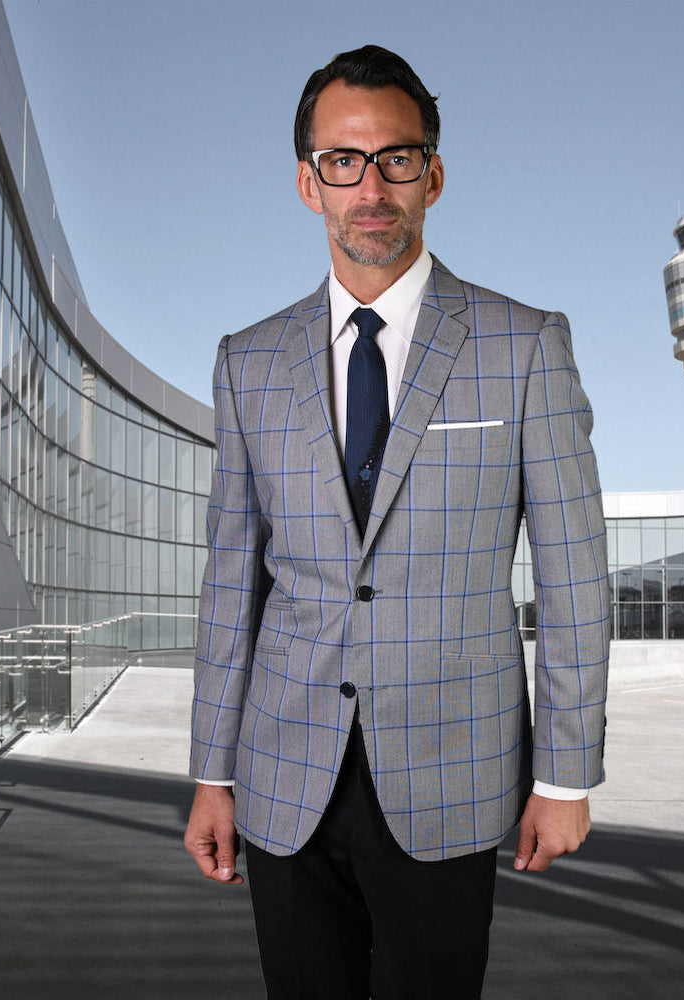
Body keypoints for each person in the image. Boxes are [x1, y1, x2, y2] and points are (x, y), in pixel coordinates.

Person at [184, 44, 610, 1000]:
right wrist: (211, 771)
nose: (369, 186)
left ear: (434, 175)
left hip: (451, 770)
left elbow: (574, 572)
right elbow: (229, 582)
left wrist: (566, 775)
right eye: (343, 160)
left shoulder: (524, 344)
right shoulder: (246, 361)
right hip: (281, 772)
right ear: (307, 182)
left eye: (395, 158)